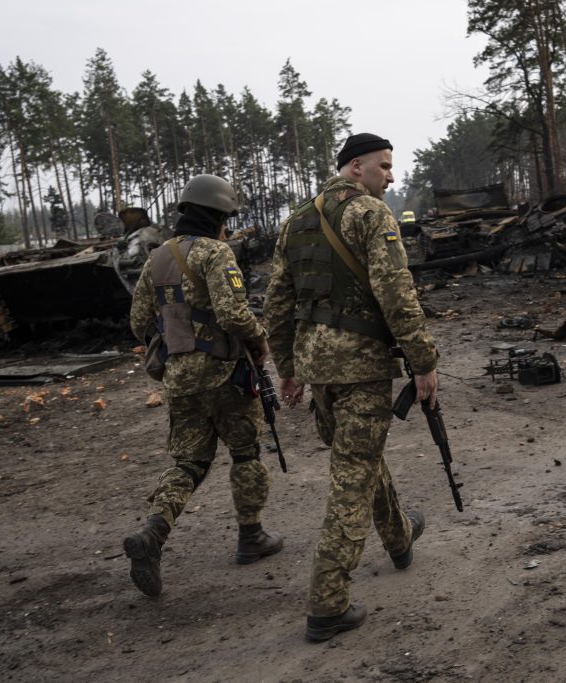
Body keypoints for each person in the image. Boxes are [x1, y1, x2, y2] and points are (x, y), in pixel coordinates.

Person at [264, 133, 438, 641]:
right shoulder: (370, 215)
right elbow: (397, 294)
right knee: (351, 479)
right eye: (384, 166)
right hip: (361, 369)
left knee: (357, 460)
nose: (391, 176)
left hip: (320, 370)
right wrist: (423, 360)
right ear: (355, 167)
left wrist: (289, 366)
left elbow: (277, 300)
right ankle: (327, 603)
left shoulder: (297, 219)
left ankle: (400, 536)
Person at [123, 174, 283, 599]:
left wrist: (177, 341)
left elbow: (139, 323)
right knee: (246, 453)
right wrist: (260, 338)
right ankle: (251, 537)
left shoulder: (156, 259)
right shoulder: (217, 254)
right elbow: (233, 313)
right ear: (218, 217)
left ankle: (152, 534)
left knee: (189, 463)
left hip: (178, 379)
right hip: (225, 373)